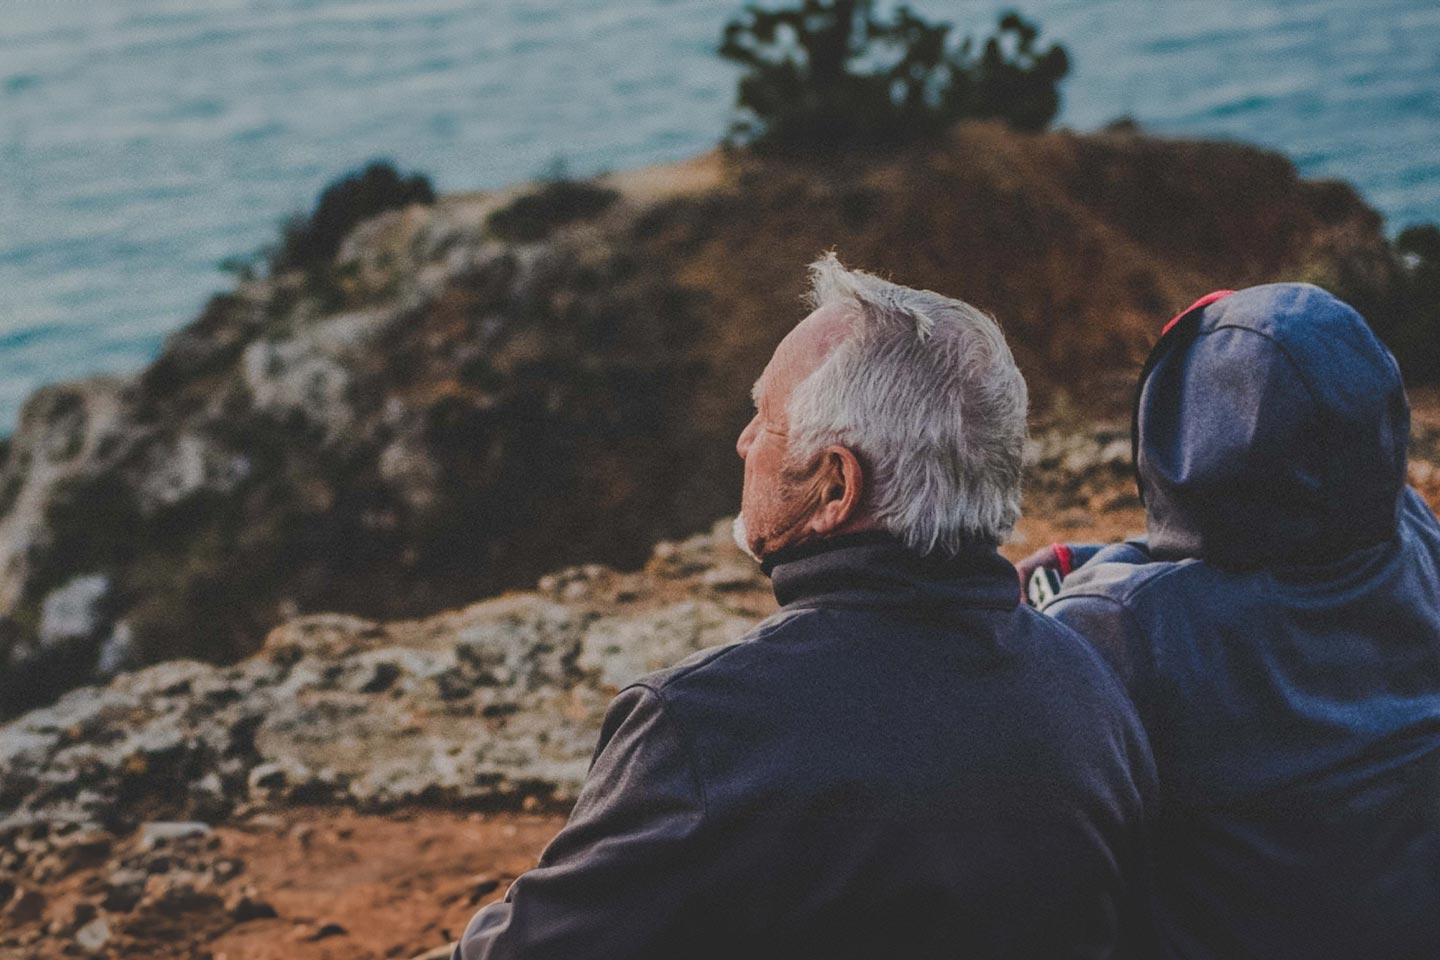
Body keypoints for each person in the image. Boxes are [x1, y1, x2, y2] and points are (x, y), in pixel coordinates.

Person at [453, 254, 1156, 960]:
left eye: (764, 418)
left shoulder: (709, 726)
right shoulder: (1088, 686)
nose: (744, 442)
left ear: (836, 486)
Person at [1025, 283, 1440, 960]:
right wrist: (1112, 555)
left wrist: (1087, 569)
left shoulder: (1128, 632)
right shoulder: (1416, 543)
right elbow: (1275, 550)